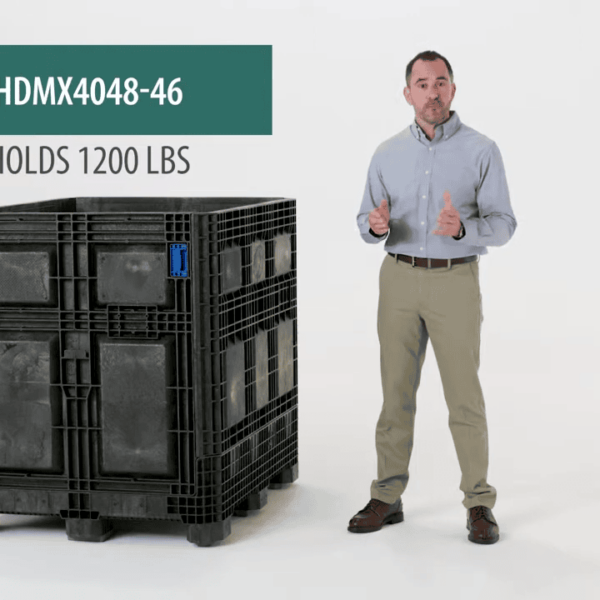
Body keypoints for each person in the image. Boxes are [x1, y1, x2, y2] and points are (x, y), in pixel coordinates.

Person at [349, 50, 517, 544]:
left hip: (454, 280)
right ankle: (387, 495)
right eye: (422, 84)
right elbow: (365, 222)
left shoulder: (481, 150)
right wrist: (374, 225)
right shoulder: (386, 153)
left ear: (453, 89)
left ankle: (479, 502)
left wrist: (464, 228)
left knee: (465, 397)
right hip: (398, 278)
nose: (433, 92)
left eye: (441, 82)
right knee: (395, 394)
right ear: (408, 93)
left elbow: (505, 224)